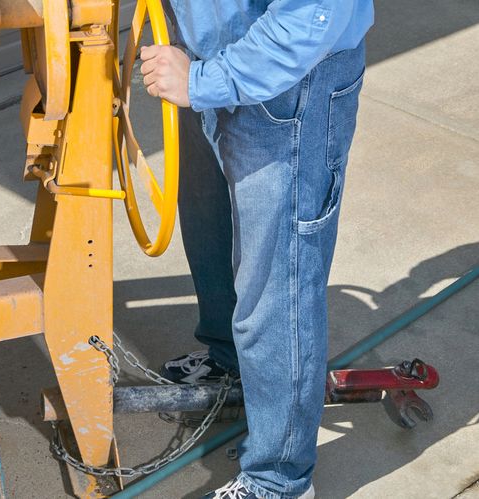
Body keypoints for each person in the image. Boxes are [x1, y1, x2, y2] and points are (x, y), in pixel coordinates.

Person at [139, 2, 374, 498]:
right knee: (210, 229)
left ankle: (279, 481)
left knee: (278, 280)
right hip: (203, 54)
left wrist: (206, 80)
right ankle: (232, 362)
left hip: (289, 76)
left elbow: (314, 12)